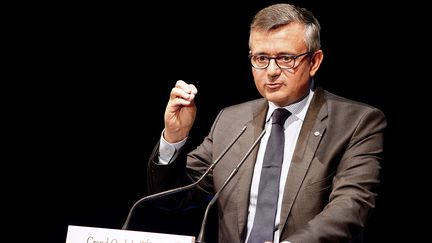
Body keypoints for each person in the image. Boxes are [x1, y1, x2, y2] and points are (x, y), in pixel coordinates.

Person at [146, 3, 386, 243]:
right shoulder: (231, 121)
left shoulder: (356, 123)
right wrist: (174, 136)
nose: (271, 71)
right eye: (261, 58)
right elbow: (172, 198)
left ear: (314, 62)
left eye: (285, 58)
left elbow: (351, 207)